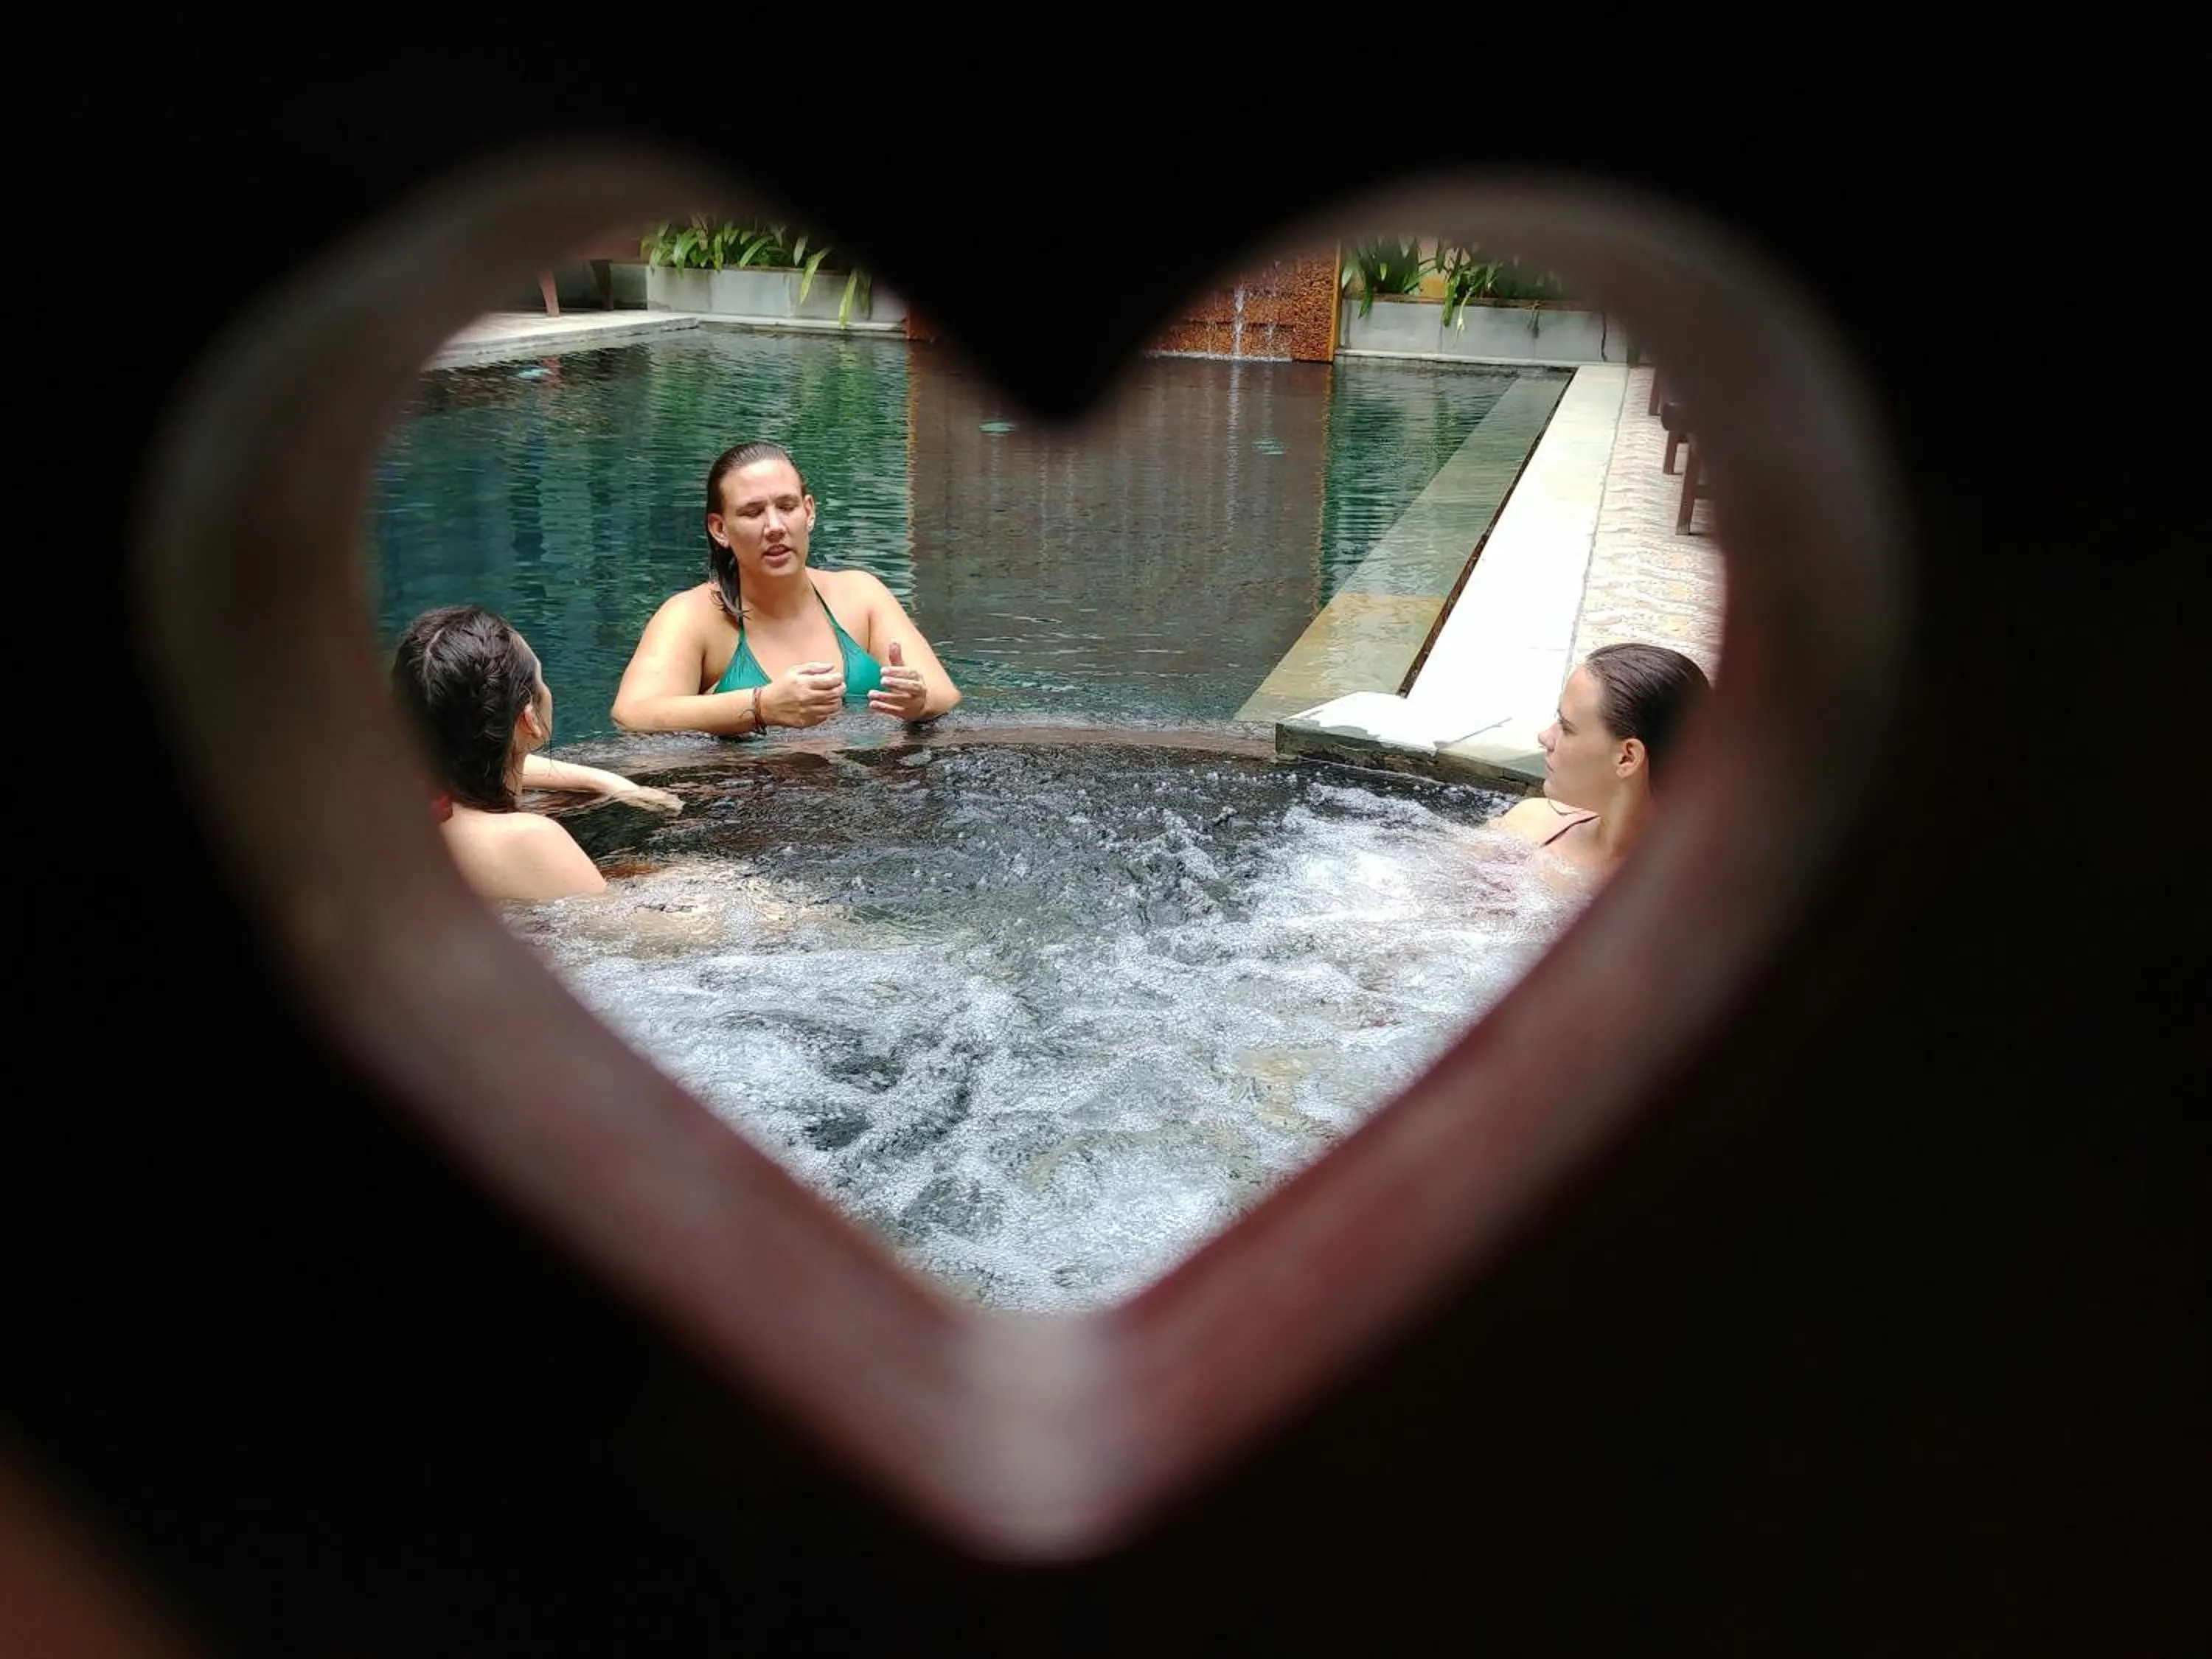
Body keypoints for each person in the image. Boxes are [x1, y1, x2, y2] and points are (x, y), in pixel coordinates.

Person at [610, 440, 961, 737]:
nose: (775, 527)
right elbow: (633, 715)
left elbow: (944, 694)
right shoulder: (692, 616)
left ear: (808, 512)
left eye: (787, 506)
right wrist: (760, 706)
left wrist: (918, 703)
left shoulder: (860, 595)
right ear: (720, 529)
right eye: (752, 512)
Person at [391, 604, 681, 903]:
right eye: (541, 679)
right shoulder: (526, 839)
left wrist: (604, 781)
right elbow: (642, 935)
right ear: (530, 720)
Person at [1492, 641, 1713, 874]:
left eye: (1566, 727)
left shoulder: (1695, 898)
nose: (1545, 737)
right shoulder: (1526, 827)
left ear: (1627, 758)